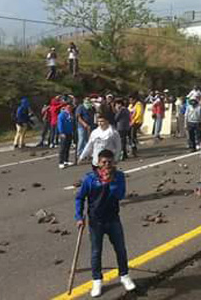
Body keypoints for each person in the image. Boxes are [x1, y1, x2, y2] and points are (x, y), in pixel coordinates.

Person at [74, 149, 136, 298]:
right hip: (96, 221)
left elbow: (120, 195)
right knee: (96, 252)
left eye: (110, 162)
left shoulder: (119, 176)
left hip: (113, 219)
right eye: (104, 162)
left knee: (120, 248)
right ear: (98, 163)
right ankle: (97, 279)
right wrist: (79, 216)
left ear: (114, 162)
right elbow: (80, 198)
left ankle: (124, 275)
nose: (107, 165)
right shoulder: (90, 179)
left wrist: (111, 183)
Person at [57, 104, 74, 169]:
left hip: (69, 132)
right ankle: (61, 162)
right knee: (62, 148)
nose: (69, 108)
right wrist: (61, 132)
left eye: (70, 107)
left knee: (67, 147)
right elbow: (60, 124)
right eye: (68, 107)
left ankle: (66, 160)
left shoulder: (70, 114)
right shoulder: (62, 115)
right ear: (65, 108)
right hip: (64, 133)